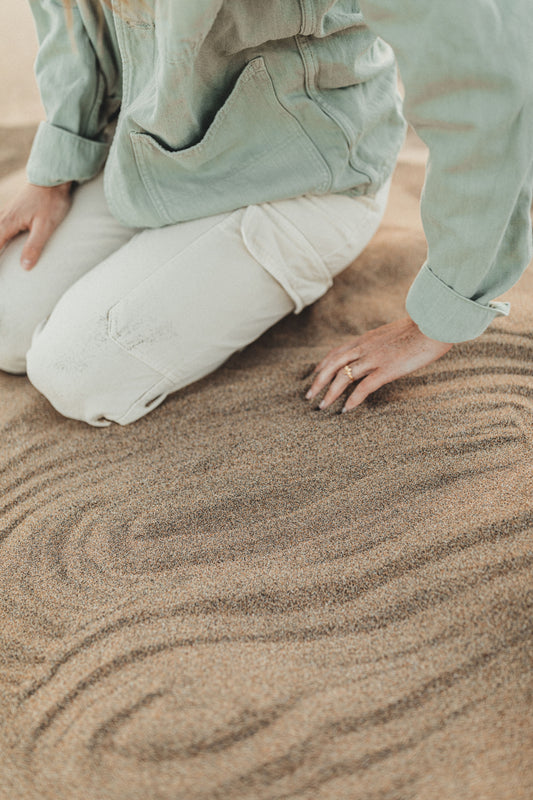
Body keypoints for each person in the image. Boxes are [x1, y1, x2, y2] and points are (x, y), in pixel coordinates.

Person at [0, 0, 531, 426]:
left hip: (308, 175)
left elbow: (486, 81)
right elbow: (68, 12)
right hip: (151, 151)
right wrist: (60, 160)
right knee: (6, 325)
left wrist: (443, 314)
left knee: (73, 373)